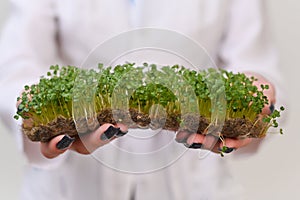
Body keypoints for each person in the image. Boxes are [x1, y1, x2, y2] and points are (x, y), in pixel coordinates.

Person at [0, 0, 279, 199]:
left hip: (191, 179)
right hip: (74, 184)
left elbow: (255, 60)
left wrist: (258, 100)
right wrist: (32, 109)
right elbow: (17, 63)